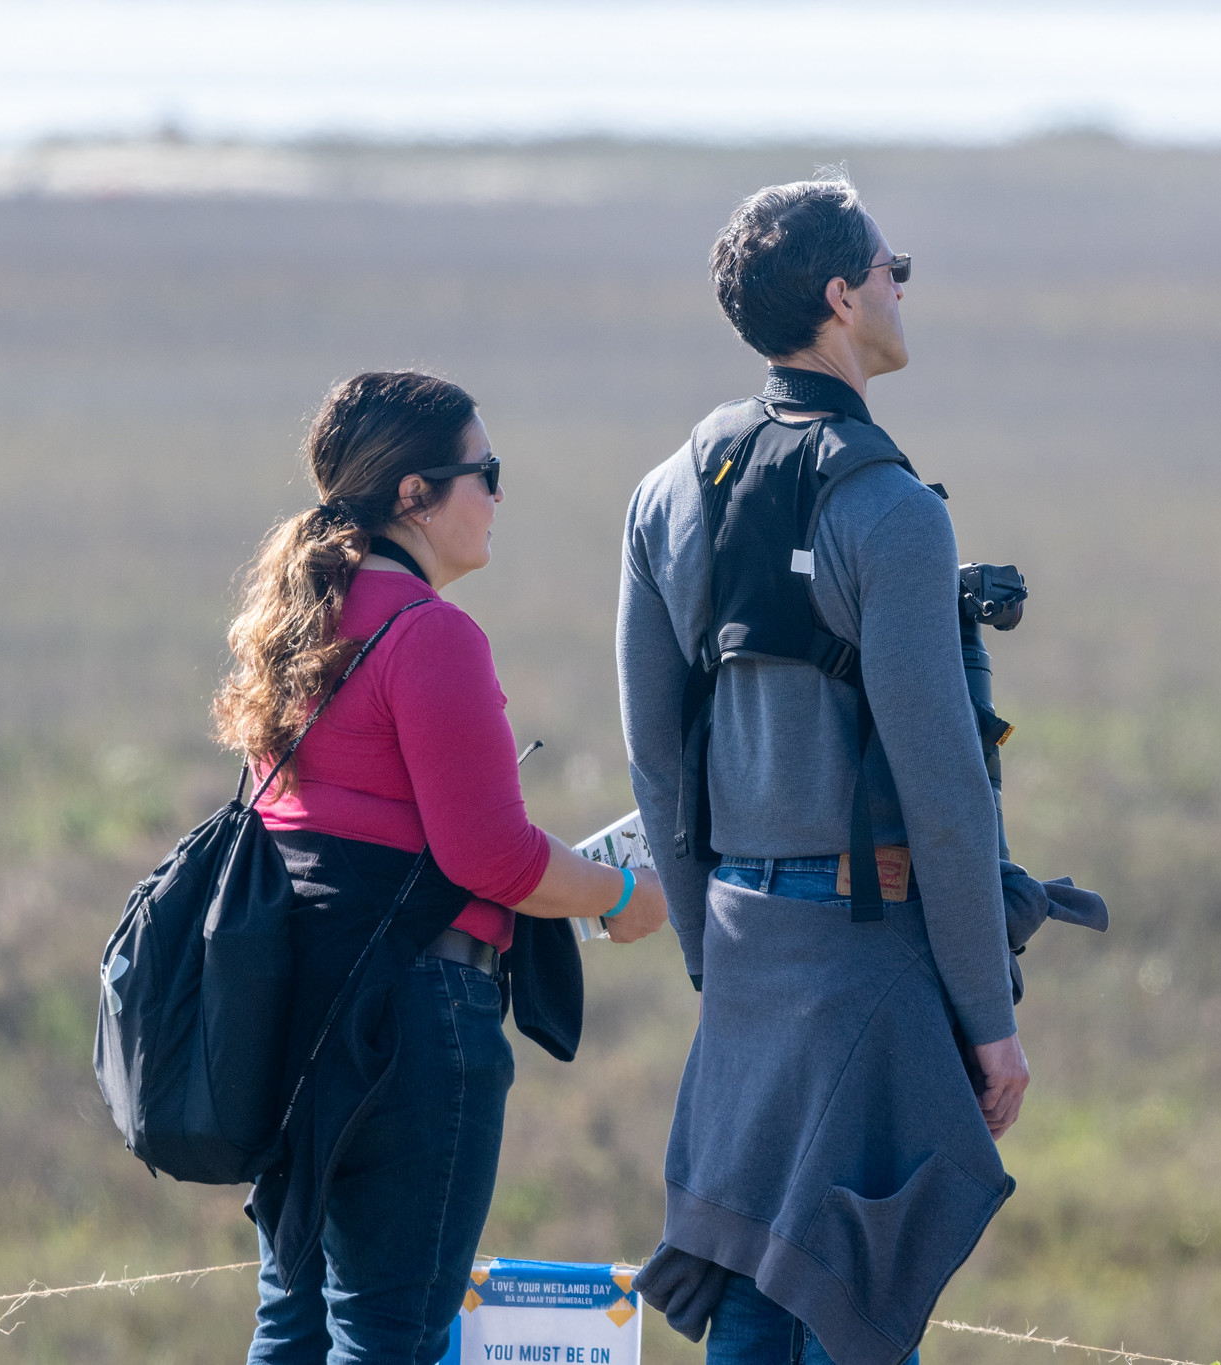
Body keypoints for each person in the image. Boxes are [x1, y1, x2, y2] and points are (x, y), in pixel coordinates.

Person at [618, 177, 1027, 1365]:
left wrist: (711, 949)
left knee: (756, 1278)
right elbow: (944, 791)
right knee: (845, 1301)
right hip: (864, 951)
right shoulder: (892, 509)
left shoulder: (663, 493)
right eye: (892, 267)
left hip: (744, 941)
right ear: (843, 297)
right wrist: (986, 1018)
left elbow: (654, 758)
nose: (903, 285)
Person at [213, 370, 668, 1365]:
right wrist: (622, 895)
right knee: (390, 1337)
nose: (498, 497)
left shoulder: (296, 624)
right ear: (414, 496)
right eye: (485, 473)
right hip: (411, 1030)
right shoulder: (430, 636)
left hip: (293, 1013)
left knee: (291, 1325)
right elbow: (492, 857)